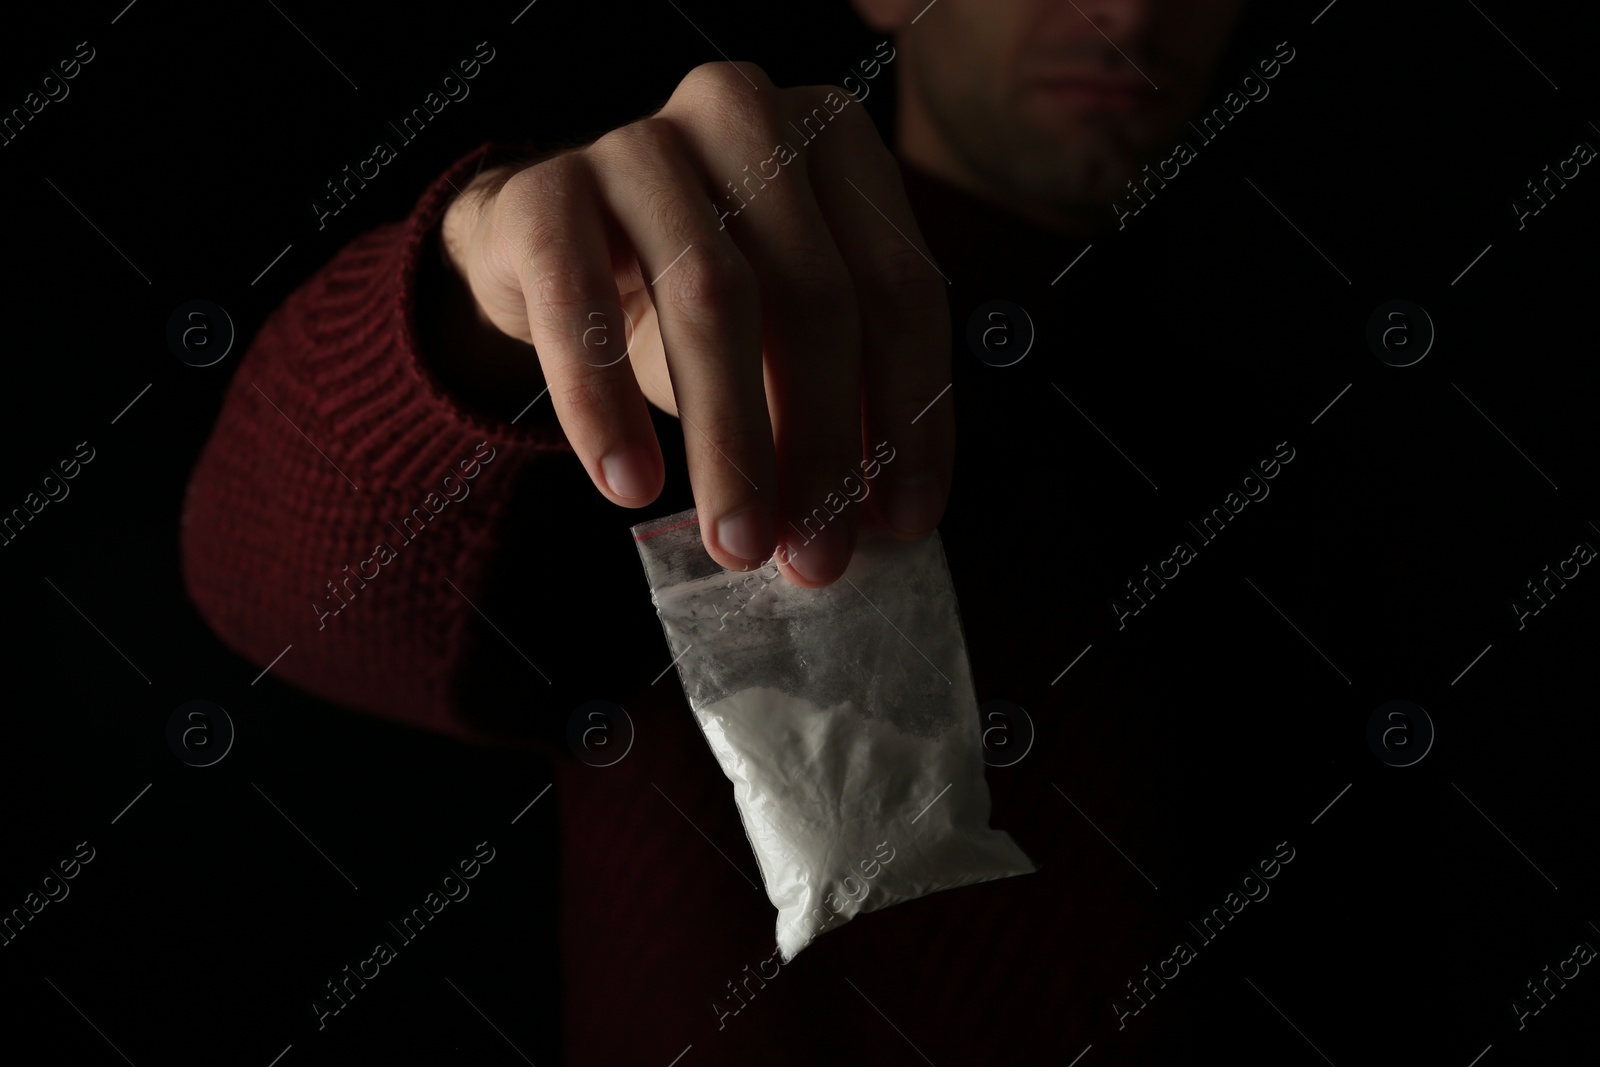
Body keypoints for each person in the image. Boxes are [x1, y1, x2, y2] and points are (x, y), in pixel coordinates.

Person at [184, 1, 1484, 1061]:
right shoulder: (679, 330)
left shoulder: (1310, 484)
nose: (1134, 7)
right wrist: (490, 288)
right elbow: (268, 580)